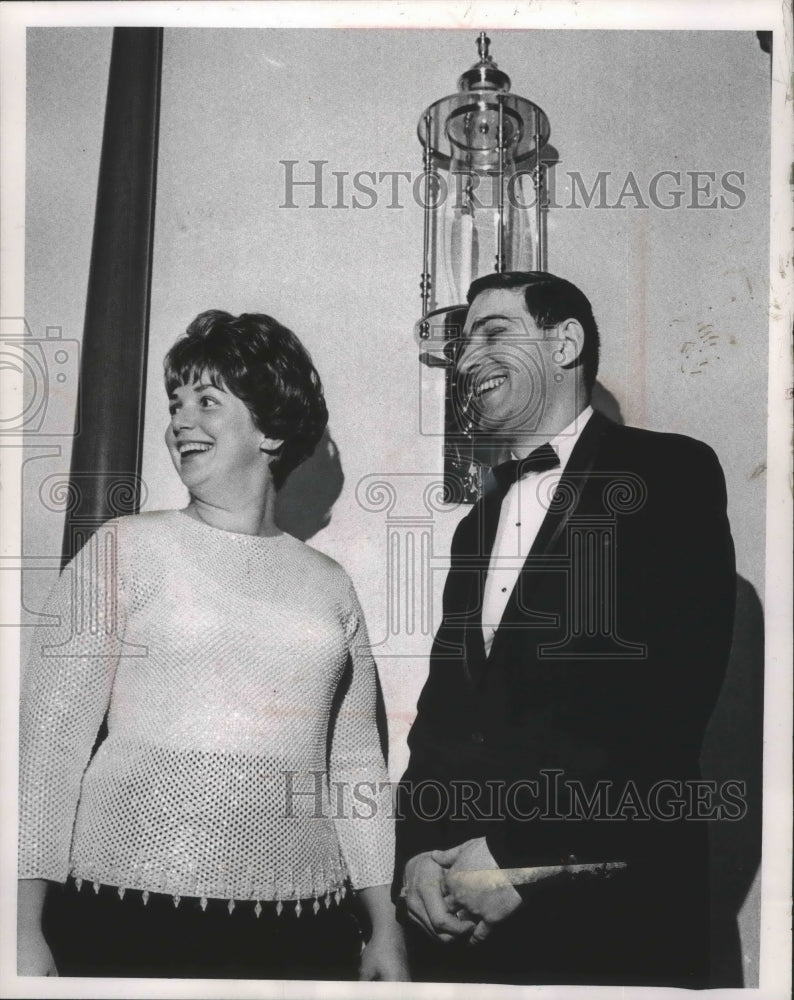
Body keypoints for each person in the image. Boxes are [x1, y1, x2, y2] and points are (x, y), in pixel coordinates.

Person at [18, 310, 408, 981]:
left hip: (302, 933)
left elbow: (355, 764)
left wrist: (384, 928)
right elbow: (49, 741)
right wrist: (19, 925)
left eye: (207, 401)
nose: (179, 422)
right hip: (125, 917)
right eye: (175, 404)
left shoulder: (329, 586)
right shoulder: (123, 549)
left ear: (273, 429)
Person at [394, 271, 736, 987]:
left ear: (565, 343)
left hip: (609, 919)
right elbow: (443, 716)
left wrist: (520, 852)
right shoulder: (475, 527)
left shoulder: (668, 472)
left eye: (490, 334)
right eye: (460, 345)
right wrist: (418, 857)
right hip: (463, 935)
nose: (463, 363)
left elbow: (668, 706)